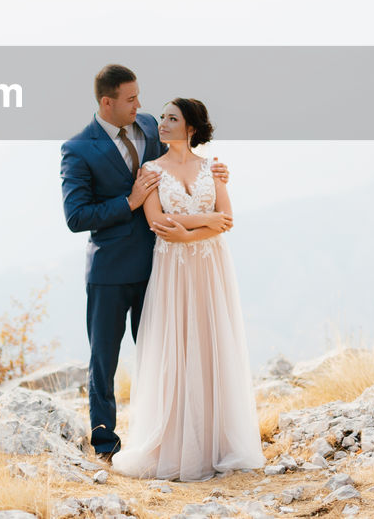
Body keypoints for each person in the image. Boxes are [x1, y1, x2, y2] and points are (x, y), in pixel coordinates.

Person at [60, 65, 229, 460]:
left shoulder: (152, 125)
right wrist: (129, 203)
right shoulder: (78, 148)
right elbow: (76, 217)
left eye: (139, 96)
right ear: (107, 102)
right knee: (105, 360)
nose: (140, 105)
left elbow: (181, 162)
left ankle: (177, 436)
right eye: (131, 99)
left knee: (165, 355)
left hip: (162, 267)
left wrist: (216, 174)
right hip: (110, 272)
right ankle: (106, 444)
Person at [111, 97, 263, 481]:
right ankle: (177, 443)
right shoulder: (150, 170)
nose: (162, 123)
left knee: (212, 342)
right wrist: (196, 225)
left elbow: (226, 220)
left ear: (191, 128)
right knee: (177, 345)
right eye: (162, 116)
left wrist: (192, 230)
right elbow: (158, 221)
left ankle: (216, 442)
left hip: (211, 267)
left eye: (172, 118)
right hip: (173, 270)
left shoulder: (213, 168)